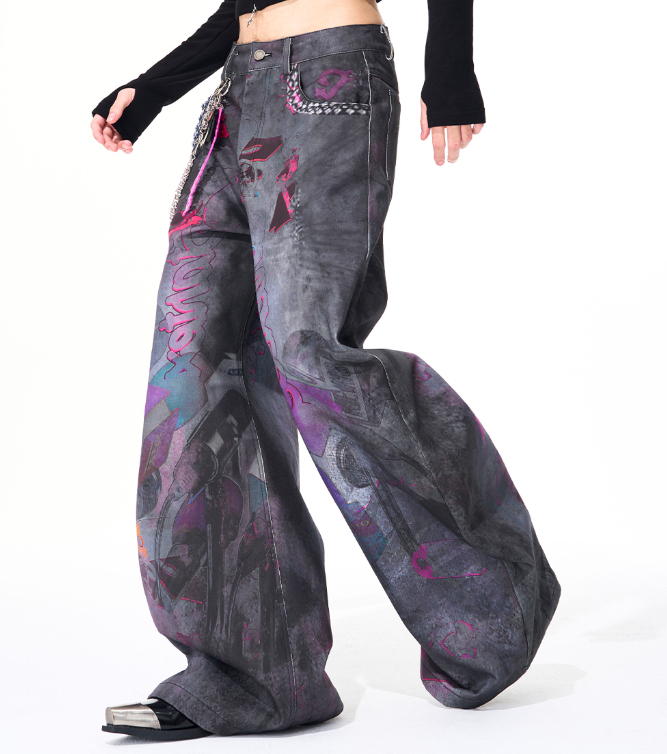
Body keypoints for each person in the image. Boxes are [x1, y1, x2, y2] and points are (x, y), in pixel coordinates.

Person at [92, 0, 561, 742]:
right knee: (194, 371)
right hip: (235, 97)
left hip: (327, 83)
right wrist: (155, 85)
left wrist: (450, 65)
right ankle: (252, 678)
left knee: (309, 355)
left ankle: (494, 598)